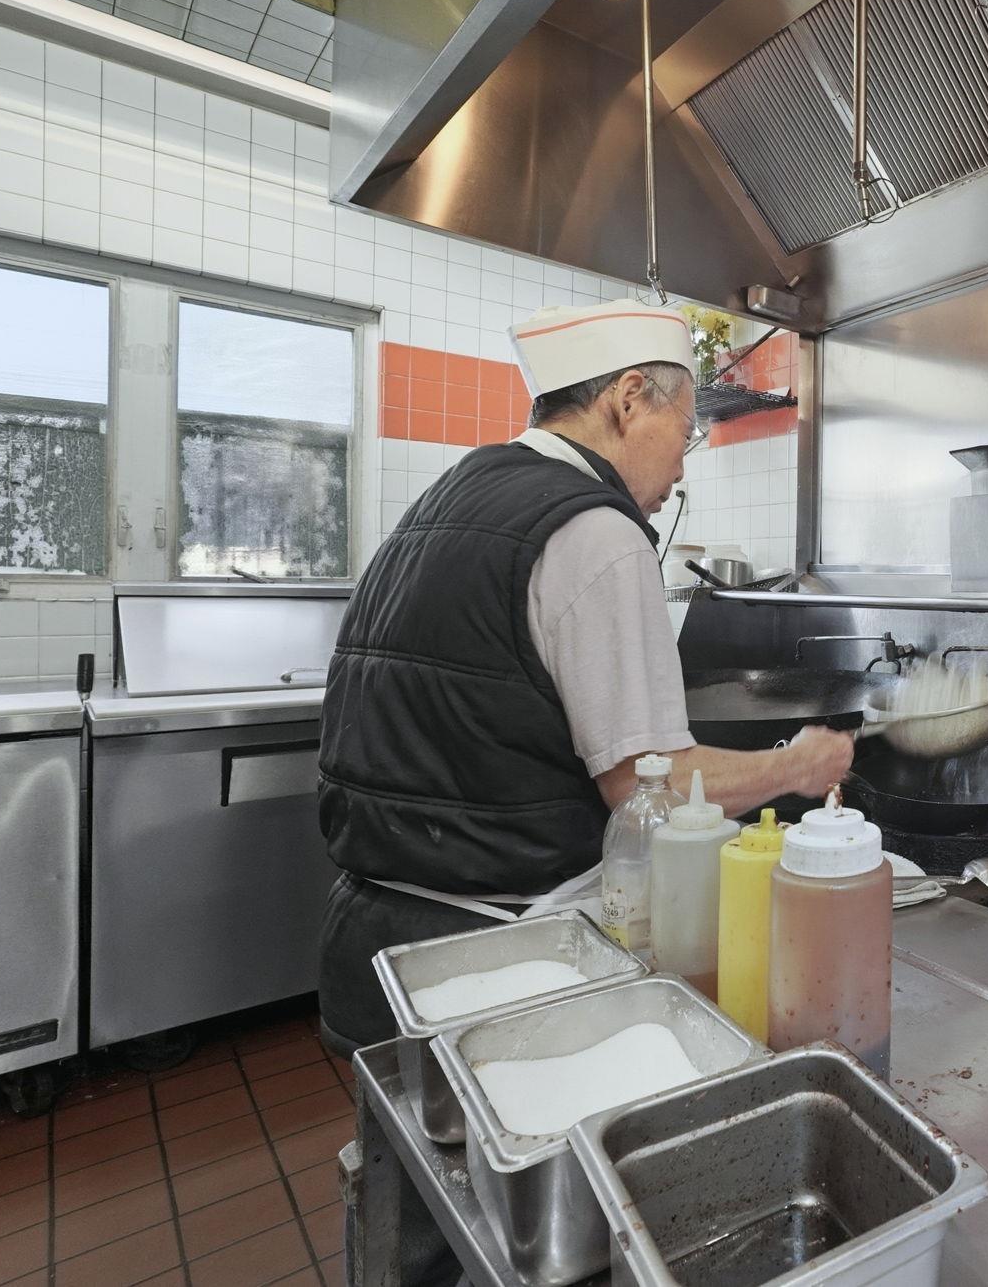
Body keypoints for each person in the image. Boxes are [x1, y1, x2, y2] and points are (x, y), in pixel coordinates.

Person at [316, 299, 852, 1053]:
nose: (682, 461)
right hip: (502, 954)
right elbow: (645, 784)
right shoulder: (595, 529)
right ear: (628, 400)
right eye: (686, 431)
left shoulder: (453, 494)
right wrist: (799, 764)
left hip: (369, 941)